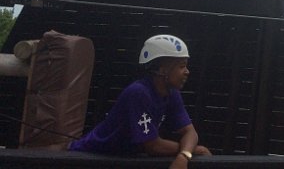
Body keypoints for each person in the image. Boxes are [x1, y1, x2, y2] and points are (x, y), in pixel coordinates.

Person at [70, 35, 211, 167]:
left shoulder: (171, 93)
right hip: (88, 158)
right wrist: (193, 150)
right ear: (162, 69)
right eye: (181, 66)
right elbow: (152, 145)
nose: (187, 71)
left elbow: (190, 133)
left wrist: (184, 155)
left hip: (120, 157)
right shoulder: (139, 93)